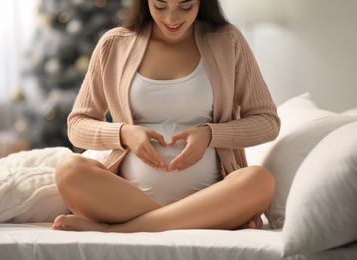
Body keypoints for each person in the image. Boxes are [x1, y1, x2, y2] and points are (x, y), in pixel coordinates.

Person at [52, 0, 280, 232]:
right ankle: (196, 220)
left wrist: (210, 135)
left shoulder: (228, 41)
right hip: (129, 200)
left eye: (186, 6)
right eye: (160, 6)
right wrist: (124, 133)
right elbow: (77, 125)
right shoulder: (115, 44)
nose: (172, 19)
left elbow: (267, 121)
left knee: (260, 180)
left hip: (211, 194)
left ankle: (118, 229)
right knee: (69, 171)